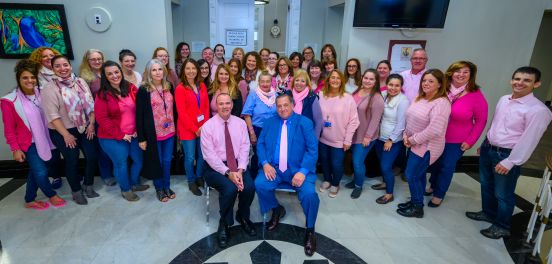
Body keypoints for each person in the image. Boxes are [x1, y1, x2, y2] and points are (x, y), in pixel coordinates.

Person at [466, 66, 552, 239]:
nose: (520, 83)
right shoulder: (504, 99)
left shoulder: (539, 110)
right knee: (486, 184)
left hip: (507, 155)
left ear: (536, 84)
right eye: (517, 79)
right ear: (511, 80)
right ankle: (488, 213)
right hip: (489, 148)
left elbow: (530, 140)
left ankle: (502, 226)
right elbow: (496, 124)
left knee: (503, 194)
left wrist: (511, 161)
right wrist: (486, 142)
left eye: (526, 80)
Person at [255, 94, 320, 257]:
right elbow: (261, 144)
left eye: (286, 105)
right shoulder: (270, 122)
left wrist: (303, 171)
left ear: (292, 105)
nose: (282, 109)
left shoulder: (305, 123)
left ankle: (310, 230)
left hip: (298, 170)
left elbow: (312, 150)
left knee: (310, 195)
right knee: (260, 184)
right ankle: (277, 209)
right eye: (279, 106)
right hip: (274, 168)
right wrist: (265, 163)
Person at [1, 59, 66, 210]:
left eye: (32, 77)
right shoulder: (9, 100)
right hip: (29, 143)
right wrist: (15, 149)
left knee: (36, 171)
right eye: (25, 77)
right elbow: (9, 128)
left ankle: (29, 199)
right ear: (18, 78)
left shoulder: (44, 92)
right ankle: (51, 195)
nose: (29, 80)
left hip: (50, 139)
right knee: (41, 171)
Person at [427, 61, 488, 207]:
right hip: (436, 136)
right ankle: (433, 185)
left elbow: (481, 120)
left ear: (471, 75)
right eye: (457, 71)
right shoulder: (442, 88)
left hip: (456, 140)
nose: (461, 74)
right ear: (451, 73)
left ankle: (439, 194)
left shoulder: (476, 95)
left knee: (446, 166)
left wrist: (471, 141)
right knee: (434, 164)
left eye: (465, 72)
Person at [42, 55, 100, 205]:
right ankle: (76, 191)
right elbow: (53, 116)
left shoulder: (80, 82)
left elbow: (91, 105)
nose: (63, 69)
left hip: (85, 127)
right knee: (72, 160)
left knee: (92, 157)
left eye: (65, 65)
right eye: (58, 66)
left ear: (70, 66)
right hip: (63, 131)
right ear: (53, 68)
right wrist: (66, 135)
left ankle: (88, 185)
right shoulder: (49, 88)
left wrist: (92, 124)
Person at [201, 93, 256, 248]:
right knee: (230, 188)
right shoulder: (208, 126)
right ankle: (224, 222)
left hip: (238, 164)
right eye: (221, 104)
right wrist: (227, 172)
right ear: (216, 106)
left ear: (232, 105)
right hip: (214, 168)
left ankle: (243, 216)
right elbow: (209, 156)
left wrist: (240, 169)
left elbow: (245, 147)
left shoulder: (240, 123)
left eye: (227, 103)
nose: (225, 106)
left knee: (250, 187)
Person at [397, 69, 451, 218]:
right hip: (413, 143)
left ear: (440, 84)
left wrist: (412, 140)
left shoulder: (441, 103)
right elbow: (409, 118)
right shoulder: (419, 97)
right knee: (419, 175)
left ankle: (417, 208)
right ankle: (416, 200)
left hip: (427, 147)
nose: (426, 83)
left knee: (411, 174)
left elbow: (435, 130)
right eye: (424, 81)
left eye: (431, 81)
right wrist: (406, 136)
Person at [95, 61, 149, 202]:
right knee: (121, 164)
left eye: (116, 72)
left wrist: (138, 129)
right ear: (105, 77)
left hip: (133, 134)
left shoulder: (130, 87)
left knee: (138, 160)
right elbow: (102, 119)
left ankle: (134, 183)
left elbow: (140, 109)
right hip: (112, 137)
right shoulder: (102, 95)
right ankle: (125, 189)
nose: (114, 76)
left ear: (120, 71)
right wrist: (121, 135)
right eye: (110, 74)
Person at [136, 59, 176, 202]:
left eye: (160, 69)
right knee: (157, 162)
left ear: (164, 71)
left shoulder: (168, 86)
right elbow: (139, 115)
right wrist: (141, 138)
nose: (157, 72)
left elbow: (173, 109)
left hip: (170, 132)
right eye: (154, 70)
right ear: (149, 72)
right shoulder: (143, 89)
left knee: (167, 161)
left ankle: (167, 186)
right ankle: (159, 188)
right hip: (154, 134)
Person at [318, 70, 360, 198]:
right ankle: (327, 180)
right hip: (323, 138)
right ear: (328, 80)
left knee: (336, 164)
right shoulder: (321, 95)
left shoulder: (348, 98)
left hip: (339, 140)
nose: (335, 80)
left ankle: (335, 183)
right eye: (332, 78)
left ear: (341, 80)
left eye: (338, 78)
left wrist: (348, 140)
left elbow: (354, 121)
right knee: (324, 161)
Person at [28, 47, 64, 189]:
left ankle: (68, 172)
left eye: (52, 55)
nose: (49, 58)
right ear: (38, 59)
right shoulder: (35, 76)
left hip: (64, 116)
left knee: (66, 148)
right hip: (44, 118)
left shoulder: (63, 72)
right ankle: (56, 175)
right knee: (52, 149)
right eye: (45, 56)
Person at [345, 69, 384, 199]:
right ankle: (355, 180)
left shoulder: (377, 98)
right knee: (355, 161)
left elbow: (375, 120)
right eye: (366, 78)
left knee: (357, 162)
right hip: (354, 134)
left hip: (366, 136)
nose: (367, 81)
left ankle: (358, 186)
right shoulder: (357, 92)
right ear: (362, 78)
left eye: (371, 79)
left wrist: (368, 136)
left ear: (376, 82)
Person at [80, 49, 115, 186]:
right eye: (93, 59)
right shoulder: (84, 78)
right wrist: (91, 122)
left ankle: (116, 171)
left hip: (113, 116)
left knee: (114, 147)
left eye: (99, 58)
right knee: (102, 149)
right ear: (87, 61)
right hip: (97, 118)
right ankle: (106, 175)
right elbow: (85, 102)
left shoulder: (108, 72)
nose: (97, 61)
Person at [175, 59, 210, 196]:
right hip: (187, 129)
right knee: (190, 158)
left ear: (197, 70)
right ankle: (191, 181)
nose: (191, 71)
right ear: (183, 70)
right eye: (188, 68)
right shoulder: (180, 88)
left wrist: (204, 126)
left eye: (193, 68)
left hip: (203, 127)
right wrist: (195, 128)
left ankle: (199, 177)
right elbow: (181, 113)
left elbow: (206, 107)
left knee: (202, 155)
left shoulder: (201, 85)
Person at [373, 74, 409, 204]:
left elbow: (401, 124)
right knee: (382, 163)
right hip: (379, 137)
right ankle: (384, 183)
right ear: (386, 84)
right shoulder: (383, 95)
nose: (393, 88)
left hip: (392, 140)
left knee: (386, 166)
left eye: (397, 85)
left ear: (401, 87)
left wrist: (391, 140)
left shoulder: (403, 101)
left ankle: (389, 193)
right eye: (391, 84)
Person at [241, 71, 277, 178]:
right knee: (258, 154)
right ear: (259, 82)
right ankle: (255, 176)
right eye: (262, 81)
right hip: (257, 129)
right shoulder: (253, 95)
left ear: (271, 82)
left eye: (267, 81)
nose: (265, 84)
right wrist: (251, 133)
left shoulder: (276, 95)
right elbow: (247, 114)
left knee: (270, 153)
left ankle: (267, 174)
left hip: (272, 130)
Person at [286, 69, 323, 140]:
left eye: (302, 81)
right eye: (297, 80)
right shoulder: (287, 95)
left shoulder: (312, 97)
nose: (299, 83)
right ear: (293, 82)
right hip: (288, 134)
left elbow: (318, 121)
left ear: (307, 83)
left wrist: (314, 140)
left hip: (306, 137)